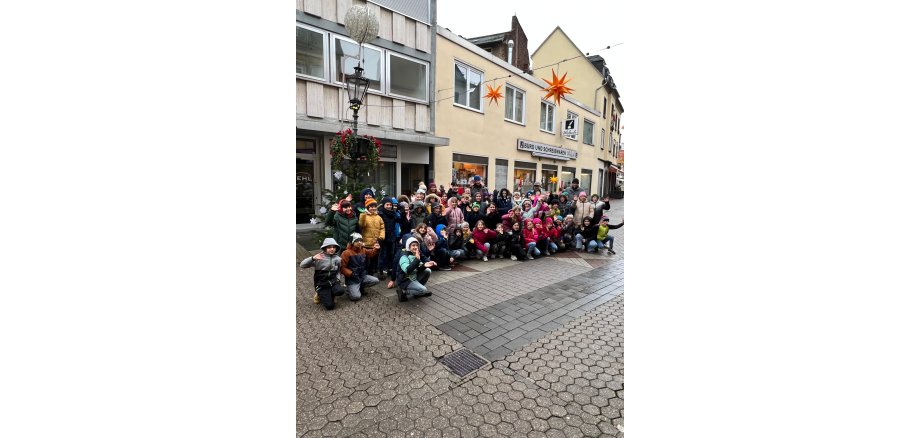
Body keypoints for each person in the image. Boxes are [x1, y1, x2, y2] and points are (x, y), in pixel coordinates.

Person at [299, 238, 345, 310]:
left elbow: (338, 271)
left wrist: (338, 279)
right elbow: (302, 265)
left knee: (340, 291)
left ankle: (331, 293)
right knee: (330, 306)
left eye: (333, 247)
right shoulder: (319, 258)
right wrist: (312, 258)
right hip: (322, 284)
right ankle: (319, 294)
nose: (332, 249)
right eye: (329, 247)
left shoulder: (338, 259)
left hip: (333, 282)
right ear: (324, 248)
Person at [339, 233, 380, 301]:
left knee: (376, 280)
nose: (360, 242)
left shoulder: (363, 250)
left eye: (361, 240)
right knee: (356, 297)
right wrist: (351, 274)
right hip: (352, 279)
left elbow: (371, 254)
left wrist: (376, 248)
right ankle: (349, 289)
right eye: (357, 240)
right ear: (352, 242)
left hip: (362, 276)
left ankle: (360, 287)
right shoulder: (346, 253)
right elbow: (342, 268)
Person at [397, 237, 437, 301]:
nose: (415, 247)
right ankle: (403, 291)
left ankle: (418, 291)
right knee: (423, 290)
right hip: (405, 280)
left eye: (417, 245)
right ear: (408, 246)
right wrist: (417, 260)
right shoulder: (404, 256)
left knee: (427, 270)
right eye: (413, 245)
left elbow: (417, 269)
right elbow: (408, 270)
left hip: (413, 276)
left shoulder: (415, 254)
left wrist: (424, 265)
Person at [358, 199, 385, 275]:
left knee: (374, 260)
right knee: (366, 261)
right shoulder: (364, 216)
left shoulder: (379, 217)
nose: (373, 208)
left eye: (374, 206)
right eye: (371, 207)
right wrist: (363, 214)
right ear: (367, 207)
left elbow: (382, 228)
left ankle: (372, 273)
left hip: (375, 243)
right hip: (366, 243)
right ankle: (365, 274)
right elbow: (361, 224)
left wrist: (381, 236)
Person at [377, 198, 399, 276]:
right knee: (383, 254)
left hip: (392, 236)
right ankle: (380, 271)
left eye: (390, 205)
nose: (389, 206)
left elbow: (399, 220)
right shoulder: (380, 213)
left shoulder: (393, 213)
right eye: (387, 205)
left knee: (391, 254)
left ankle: (390, 269)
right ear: (384, 205)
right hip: (383, 237)